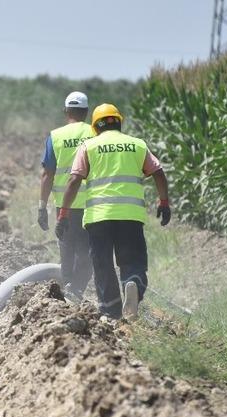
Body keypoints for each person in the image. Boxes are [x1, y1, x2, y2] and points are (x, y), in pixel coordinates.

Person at [56, 103, 171, 319]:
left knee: (102, 264)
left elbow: (73, 181)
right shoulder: (137, 145)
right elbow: (158, 172)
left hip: (98, 217)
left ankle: (111, 311)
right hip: (130, 216)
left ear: (95, 126)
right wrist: (164, 202)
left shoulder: (88, 147)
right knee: (132, 260)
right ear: (118, 122)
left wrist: (63, 214)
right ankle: (132, 282)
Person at [38, 91, 95, 300]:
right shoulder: (96, 133)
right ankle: (76, 289)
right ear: (86, 112)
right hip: (92, 204)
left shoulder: (56, 136)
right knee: (88, 253)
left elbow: (47, 174)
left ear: (66, 111)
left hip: (65, 206)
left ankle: (69, 288)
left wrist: (42, 207)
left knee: (67, 250)